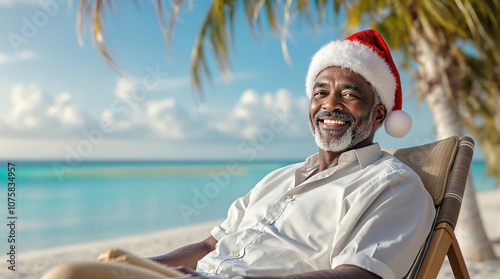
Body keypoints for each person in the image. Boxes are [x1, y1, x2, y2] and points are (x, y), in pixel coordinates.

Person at [42, 29, 435, 279]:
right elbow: (211, 246)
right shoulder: (279, 179)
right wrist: (150, 266)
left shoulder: (394, 185)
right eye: (320, 92)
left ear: (380, 114)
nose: (329, 104)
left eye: (349, 94)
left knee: (68, 275)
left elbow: (358, 275)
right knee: (109, 262)